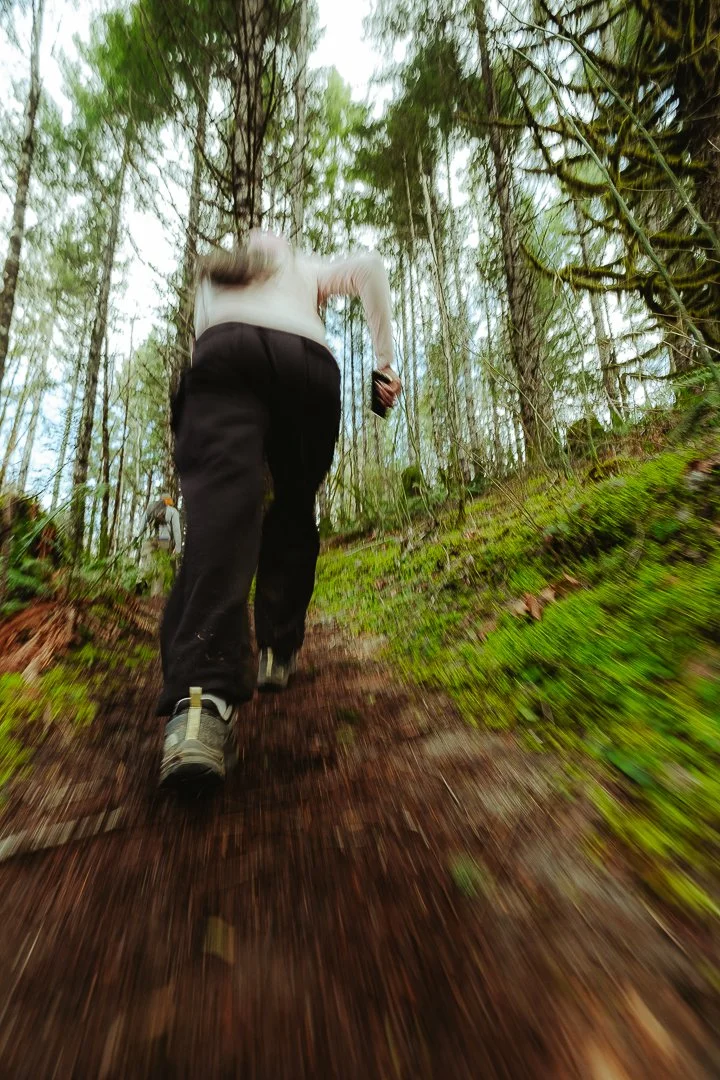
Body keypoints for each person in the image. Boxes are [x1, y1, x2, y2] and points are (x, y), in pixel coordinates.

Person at [158, 230, 401, 788]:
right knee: (293, 506)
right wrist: (384, 366)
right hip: (306, 365)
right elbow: (369, 266)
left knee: (221, 515)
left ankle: (202, 705)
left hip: (224, 352)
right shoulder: (304, 265)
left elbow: (203, 340)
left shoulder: (214, 273)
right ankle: (278, 648)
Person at [140, 494, 182, 598]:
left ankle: (143, 579)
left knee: (147, 561)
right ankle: (156, 595)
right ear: (168, 501)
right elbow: (176, 530)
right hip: (163, 540)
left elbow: (142, 525)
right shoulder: (173, 511)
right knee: (160, 567)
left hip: (148, 539)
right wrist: (178, 547)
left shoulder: (150, 507)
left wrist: (137, 536)